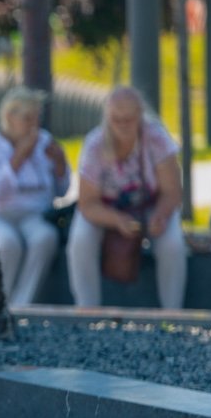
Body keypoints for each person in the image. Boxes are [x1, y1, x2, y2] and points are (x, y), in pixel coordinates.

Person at [67, 86, 187, 309]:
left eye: (128, 119)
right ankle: (86, 309)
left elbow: (172, 192)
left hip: (151, 204)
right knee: (80, 239)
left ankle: (172, 312)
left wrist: (160, 215)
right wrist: (116, 220)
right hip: (105, 208)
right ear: (107, 116)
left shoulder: (157, 138)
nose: (122, 125)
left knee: (172, 244)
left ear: (140, 115)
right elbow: (87, 203)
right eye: (116, 119)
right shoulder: (95, 144)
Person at [0, 86, 70, 307]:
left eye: (36, 118)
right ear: (9, 117)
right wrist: (19, 156)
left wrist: (60, 164)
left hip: (35, 213)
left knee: (45, 238)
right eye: (27, 118)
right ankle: (0, 303)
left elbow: (61, 191)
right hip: (1, 213)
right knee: (8, 243)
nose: (34, 124)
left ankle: (23, 304)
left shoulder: (44, 141)